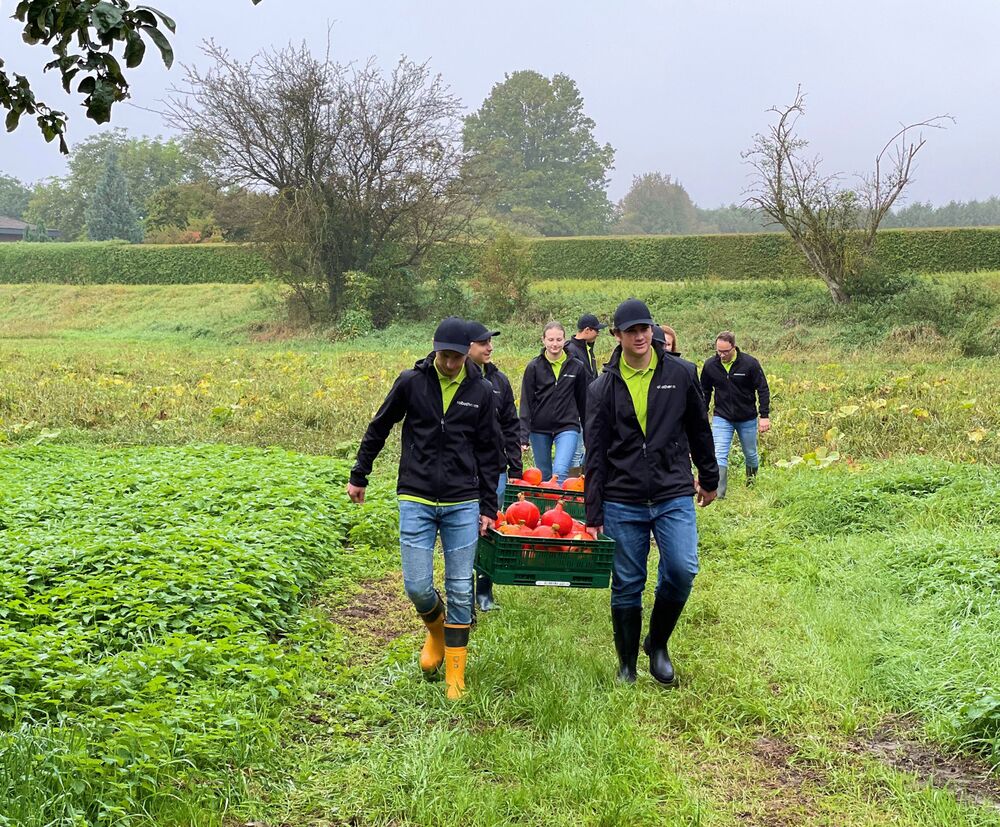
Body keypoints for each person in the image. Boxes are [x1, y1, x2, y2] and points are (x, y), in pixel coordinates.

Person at [347, 317, 501, 700]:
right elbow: (379, 426)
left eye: (457, 357)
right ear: (434, 349)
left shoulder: (480, 390)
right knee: (417, 586)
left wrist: (488, 506)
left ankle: (455, 675)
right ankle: (436, 631)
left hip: (462, 501)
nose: (450, 364)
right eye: (444, 356)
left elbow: (488, 452)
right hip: (415, 496)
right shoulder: (411, 382)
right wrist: (359, 473)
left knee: (461, 588)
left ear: (468, 353)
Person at [584, 298, 719, 687]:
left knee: (681, 569)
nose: (640, 336)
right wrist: (593, 512)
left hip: (672, 489)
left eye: (645, 328)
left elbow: (698, 429)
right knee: (627, 580)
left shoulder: (680, 373)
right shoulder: (601, 387)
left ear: (652, 330)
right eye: (631, 331)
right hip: (621, 496)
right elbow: (595, 452)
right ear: (617, 336)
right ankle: (627, 664)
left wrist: (708, 477)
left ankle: (657, 644)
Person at [466, 320, 522, 612]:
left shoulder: (500, 381)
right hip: (464, 471)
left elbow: (511, 424)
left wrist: (516, 464)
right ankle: (463, 589)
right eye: (483, 342)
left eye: (490, 342)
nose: (489, 347)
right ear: (468, 347)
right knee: (466, 530)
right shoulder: (462, 379)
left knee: (490, 527)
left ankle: (484, 591)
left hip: (495, 468)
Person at [699, 331, 771, 498]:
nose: (722, 355)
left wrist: (764, 415)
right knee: (719, 453)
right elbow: (705, 391)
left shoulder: (749, 364)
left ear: (733, 347)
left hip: (747, 417)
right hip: (722, 416)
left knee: (750, 454)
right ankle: (719, 493)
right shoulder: (710, 365)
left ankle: (751, 481)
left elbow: (763, 389)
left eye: (725, 351)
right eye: (718, 351)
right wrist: (702, 414)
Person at [519, 321, 589, 483]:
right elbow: (526, 403)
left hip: (567, 426)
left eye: (558, 339)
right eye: (550, 340)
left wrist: (589, 434)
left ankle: (558, 507)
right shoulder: (533, 367)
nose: (555, 344)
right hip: (539, 429)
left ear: (565, 340)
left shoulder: (577, 367)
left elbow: (584, 403)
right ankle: (546, 507)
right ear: (543, 340)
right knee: (543, 475)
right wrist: (523, 435)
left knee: (560, 471)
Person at [564, 313, 606, 473]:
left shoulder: (587, 349)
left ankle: (580, 482)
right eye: (597, 330)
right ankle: (570, 489)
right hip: (576, 410)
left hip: (589, 408)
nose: (598, 333)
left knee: (587, 448)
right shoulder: (570, 350)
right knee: (575, 452)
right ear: (587, 330)